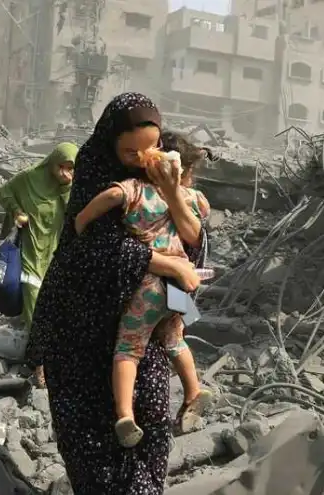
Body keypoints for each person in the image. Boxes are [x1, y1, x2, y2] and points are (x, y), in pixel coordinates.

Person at [26, 93, 204, 493]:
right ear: (110, 143)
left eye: (150, 147)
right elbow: (88, 242)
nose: (141, 157)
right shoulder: (95, 174)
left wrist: (173, 191)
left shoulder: (166, 177)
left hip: (146, 330)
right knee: (97, 449)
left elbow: (193, 241)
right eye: (129, 150)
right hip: (84, 338)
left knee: (152, 433)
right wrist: (166, 263)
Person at [74, 132, 213, 447]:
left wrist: (82, 219)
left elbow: (111, 197)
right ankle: (193, 390)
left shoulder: (136, 191)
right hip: (181, 285)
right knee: (175, 338)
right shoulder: (193, 198)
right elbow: (200, 220)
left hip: (149, 285)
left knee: (128, 349)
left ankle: (124, 415)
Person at [0, 142, 78, 387]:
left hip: (57, 256)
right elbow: (5, 193)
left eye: (71, 168)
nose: (65, 172)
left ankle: (57, 357)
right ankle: (41, 366)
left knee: (58, 309)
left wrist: (67, 186)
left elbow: (77, 215)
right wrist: (17, 212)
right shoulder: (29, 179)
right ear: (52, 163)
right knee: (35, 310)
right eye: (61, 167)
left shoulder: (72, 187)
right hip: (31, 255)